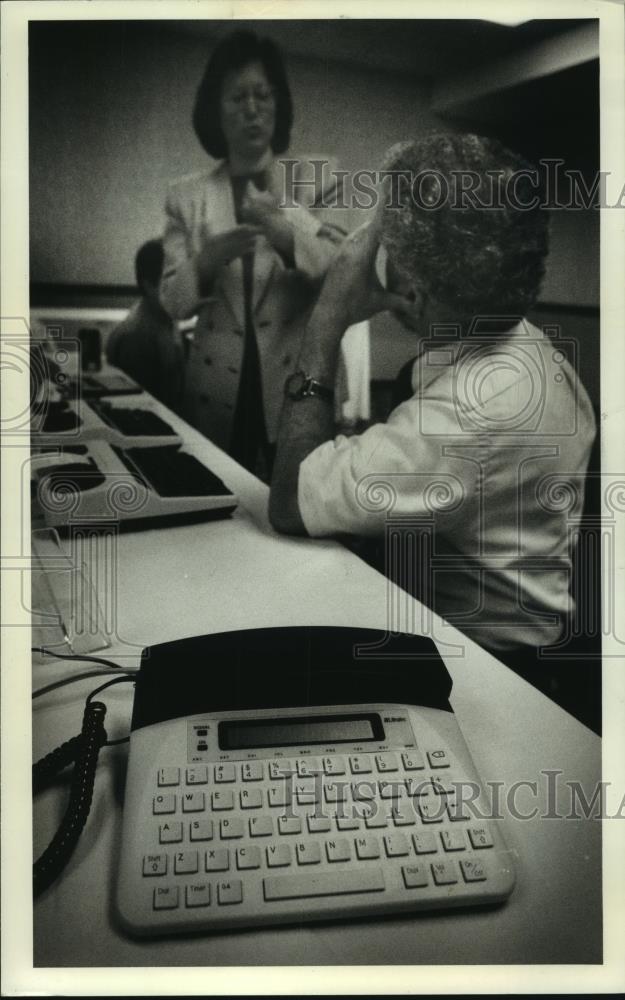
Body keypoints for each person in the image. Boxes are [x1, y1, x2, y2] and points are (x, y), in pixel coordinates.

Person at [268, 132, 596, 660]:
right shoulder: (530, 351)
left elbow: (288, 499)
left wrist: (328, 315)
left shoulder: (470, 413)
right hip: (511, 645)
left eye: (387, 241)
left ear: (416, 294)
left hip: (488, 669)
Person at [159, 30, 340, 478]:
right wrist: (206, 260)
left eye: (263, 94)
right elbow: (172, 303)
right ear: (214, 111)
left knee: (293, 515)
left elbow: (340, 270)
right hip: (213, 392)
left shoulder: (316, 179)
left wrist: (283, 233)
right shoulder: (186, 195)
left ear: (279, 105)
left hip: (294, 385)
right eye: (237, 97)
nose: (253, 109)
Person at [106, 239, 183, 409]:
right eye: (171, 283)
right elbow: (145, 408)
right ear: (149, 285)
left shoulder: (164, 319)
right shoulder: (137, 337)